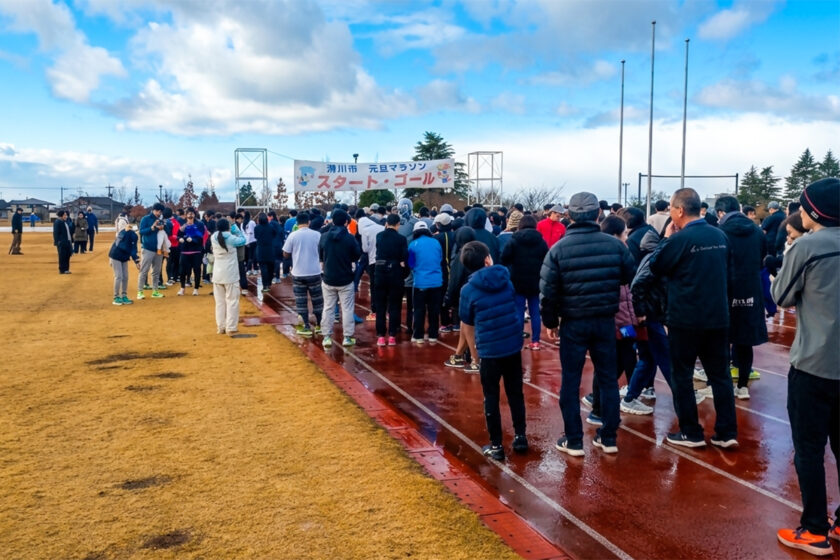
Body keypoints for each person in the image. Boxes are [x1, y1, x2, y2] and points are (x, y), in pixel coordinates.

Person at [772, 178, 840, 557]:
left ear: (811, 211)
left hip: (815, 363)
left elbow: (780, 295)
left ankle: (814, 529)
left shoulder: (808, 247)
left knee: (809, 449)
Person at [540, 192, 635, 456]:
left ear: (570, 216)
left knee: (571, 381)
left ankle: (573, 440)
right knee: (608, 379)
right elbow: (629, 275)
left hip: (574, 321)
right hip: (604, 320)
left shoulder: (559, 249)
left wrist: (550, 321)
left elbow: (548, 291)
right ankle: (609, 436)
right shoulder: (615, 246)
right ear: (597, 215)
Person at [648, 188, 737, 449]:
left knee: (682, 375)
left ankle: (691, 431)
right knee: (720, 376)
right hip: (718, 316)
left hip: (685, 318)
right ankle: (727, 431)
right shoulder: (720, 235)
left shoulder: (680, 239)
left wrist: (665, 239)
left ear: (678, 210)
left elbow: (656, 266)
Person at [459, 240, 528, 461]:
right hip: (511, 344)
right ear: (488, 259)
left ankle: (497, 444)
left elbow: (466, 317)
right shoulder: (506, 280)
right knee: (515, 391)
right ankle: (520, 436)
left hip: (489, 348)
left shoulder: (468, 290)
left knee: (491, 396)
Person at [715, 195, 768, 400]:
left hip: (725, 289)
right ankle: (743, 386)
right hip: (751, 290)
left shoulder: (719, 232)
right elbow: (763, 259)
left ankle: (720, 385)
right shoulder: (757, 230)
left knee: (720, 340)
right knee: (745, 340)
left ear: (721, 212)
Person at [500, 214, 547, 351]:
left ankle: (517, 340)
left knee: (519, 311)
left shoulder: (514, 240)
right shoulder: (541, 241)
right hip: (535, 280)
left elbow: (504, 258)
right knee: (535, 312)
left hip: (518, 280)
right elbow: (546, 259)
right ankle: (536, 341)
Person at [319, 210, 361, 348]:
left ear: (332, 220)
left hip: (328, 277)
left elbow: (320, 254)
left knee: (328, 308)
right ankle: (347, 337)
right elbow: (356, 255)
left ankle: (326, 337)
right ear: (346, 222)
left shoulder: (324, 237)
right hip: (345, 278)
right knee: (347, 309)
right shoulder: (349, 238)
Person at [282, 212, 323, 337]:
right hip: (315, 272)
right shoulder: (317, 234)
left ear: (296, 223)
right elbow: (322, 250)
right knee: (317, 300)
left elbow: (286, 253)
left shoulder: (293, 235)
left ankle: (305, 325)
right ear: (309, 222)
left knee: (301, 301)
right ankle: (319, 325)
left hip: (298, 273)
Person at [443, 227, 478, 371]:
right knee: (465, 326)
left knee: (468, 326)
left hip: (465, 295)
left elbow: (455, 279)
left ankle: (475, 359)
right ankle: (459, 354)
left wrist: (448, 298)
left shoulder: (461, 255)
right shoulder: (480, 251)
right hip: (478, 292)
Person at [374, 213, 408, 346]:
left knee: (380, 305)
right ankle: (392, 335)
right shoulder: (401, 239)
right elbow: (404, 258)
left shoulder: (379, 236)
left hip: (380, 271)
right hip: (395, 273)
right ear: (398, 224)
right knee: (394, 305)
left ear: (386, 223)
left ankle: (381, 336)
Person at [408, 221, 443, 343]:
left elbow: (411, 264)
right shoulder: (436, 242)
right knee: (434, 310)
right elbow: (440, 259)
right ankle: (433, 334)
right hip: (436, 281)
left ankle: (418, 335)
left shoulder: (413, 245)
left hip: (420, 282)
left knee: (419, 309)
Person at [210, 218, 247, 335]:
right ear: (228, 227)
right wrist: (236, 229)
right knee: (232, 301)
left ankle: (220, 327)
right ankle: (231, 327)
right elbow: (243, 240)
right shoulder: (231, 238)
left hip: (217, 274)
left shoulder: (214, 237)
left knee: (220, 302)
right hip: (230, 274)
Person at [137, 203, 167, 300]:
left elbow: (165, 232)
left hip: (159, 249)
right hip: (147, 248)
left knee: (156, 271)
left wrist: (164, 227)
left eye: (161, 212)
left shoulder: (161, 220)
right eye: (159, 211)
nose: (160, 213)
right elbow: (141, 231)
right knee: (144, 270)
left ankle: (155, 291)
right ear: (154, 210)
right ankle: (140, 291)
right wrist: (152, 228)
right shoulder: (145, 219)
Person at [108, 221, 139, 305]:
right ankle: (116, 297)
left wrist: (136, 259)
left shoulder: (123, 232)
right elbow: (133, 249)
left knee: (125, 276)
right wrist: (136, 260)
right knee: (119, 276)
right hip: (116, 256)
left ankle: (124, 296)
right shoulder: (133, 236)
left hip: (123, 257)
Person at [177, 208, 206, 296]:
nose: (190, 215)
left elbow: (201, 236)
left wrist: (193, 239)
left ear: (194, 214)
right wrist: (180, 239)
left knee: (197, 270)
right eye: (188, 214)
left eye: (192, 214)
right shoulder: (182, 224)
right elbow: (178, 234)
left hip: (196, 251)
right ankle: (182, 288)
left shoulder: (200, 224)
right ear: (185, 215)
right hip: (184, 251)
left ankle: (196, 289)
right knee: (182, 271)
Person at [253, 212, 276, 293]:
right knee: (270, 267)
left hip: (260, 249)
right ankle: (269, 282)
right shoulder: (271, 226)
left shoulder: (257, 228)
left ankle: (265, 285)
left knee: (263, 268)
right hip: (270, 249)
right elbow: (274, 234)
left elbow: (255, 237)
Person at [52, 210, 73, 274]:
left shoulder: (65, 222)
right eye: (64, 215)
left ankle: (66, 269)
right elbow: (55, 233)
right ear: (61, 216)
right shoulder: (58, 222)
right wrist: (57, 241)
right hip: (62, 242)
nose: (66, 216)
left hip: (67, 241)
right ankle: (62, 269)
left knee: (67, 255)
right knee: (62, 256)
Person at [267, 211, 285, 284]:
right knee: (277, 260)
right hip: (279, 244)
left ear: (271, 216)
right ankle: (277, 277)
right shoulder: (278, 224)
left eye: (268, 216)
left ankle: (274, 276)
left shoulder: (271, 224)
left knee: (273, 261)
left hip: (273, 244)